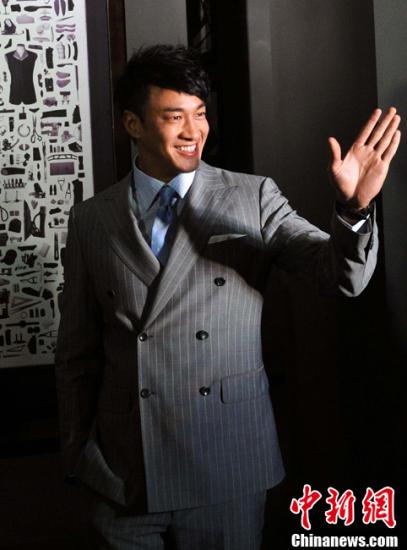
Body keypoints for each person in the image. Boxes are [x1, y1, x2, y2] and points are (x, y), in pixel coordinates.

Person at [55, 44, 401, 549]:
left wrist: (353, 209)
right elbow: (76, 353)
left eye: (200, 114)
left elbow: (337, 276)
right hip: (124, 473)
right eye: (174, 116)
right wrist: (77, 454)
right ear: (133, 124)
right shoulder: (91, 219)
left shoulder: (251, 196)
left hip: (225, 460)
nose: (193, 131)